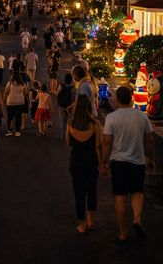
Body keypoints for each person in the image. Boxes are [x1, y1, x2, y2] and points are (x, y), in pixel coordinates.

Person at [101, 86, 156, 241]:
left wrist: (104, 161)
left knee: (120, 196)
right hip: (137, 161)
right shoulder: (141, 117)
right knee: (137, 192)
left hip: (118, 161)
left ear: (117, 99)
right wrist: (151, 158)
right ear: (131, 98)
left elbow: (106, 142)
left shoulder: (112, 118)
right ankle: (137, 219)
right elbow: (150, 140)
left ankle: (123, 233)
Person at [67, 95, 102, 234]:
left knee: (79, 192)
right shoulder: (95, 124)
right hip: (91, 161)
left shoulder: (71, 123)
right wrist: (102, 162)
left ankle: (81, 224)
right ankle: (91, 220)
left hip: (76, 161)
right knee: (92, 190)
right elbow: (98, 146)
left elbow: (69, 142)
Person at [4, 72, 26, 137]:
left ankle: (10, 130)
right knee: (18, 117)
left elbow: (6, 92)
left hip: (10, 102)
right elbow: (25, 92)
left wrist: (4, 99)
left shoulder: (10, 83)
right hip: (20, 102)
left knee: (10, 117)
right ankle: (17, 131)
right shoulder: (23, 84)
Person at [56, 73, 76, 141]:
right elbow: (74, 98)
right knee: (69, 121)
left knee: (62, 121)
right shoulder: (73, 88)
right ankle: (69, 136)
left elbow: (57, 95)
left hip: (61, 105)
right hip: (69, 106)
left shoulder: (61, 86)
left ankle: (62, 136)